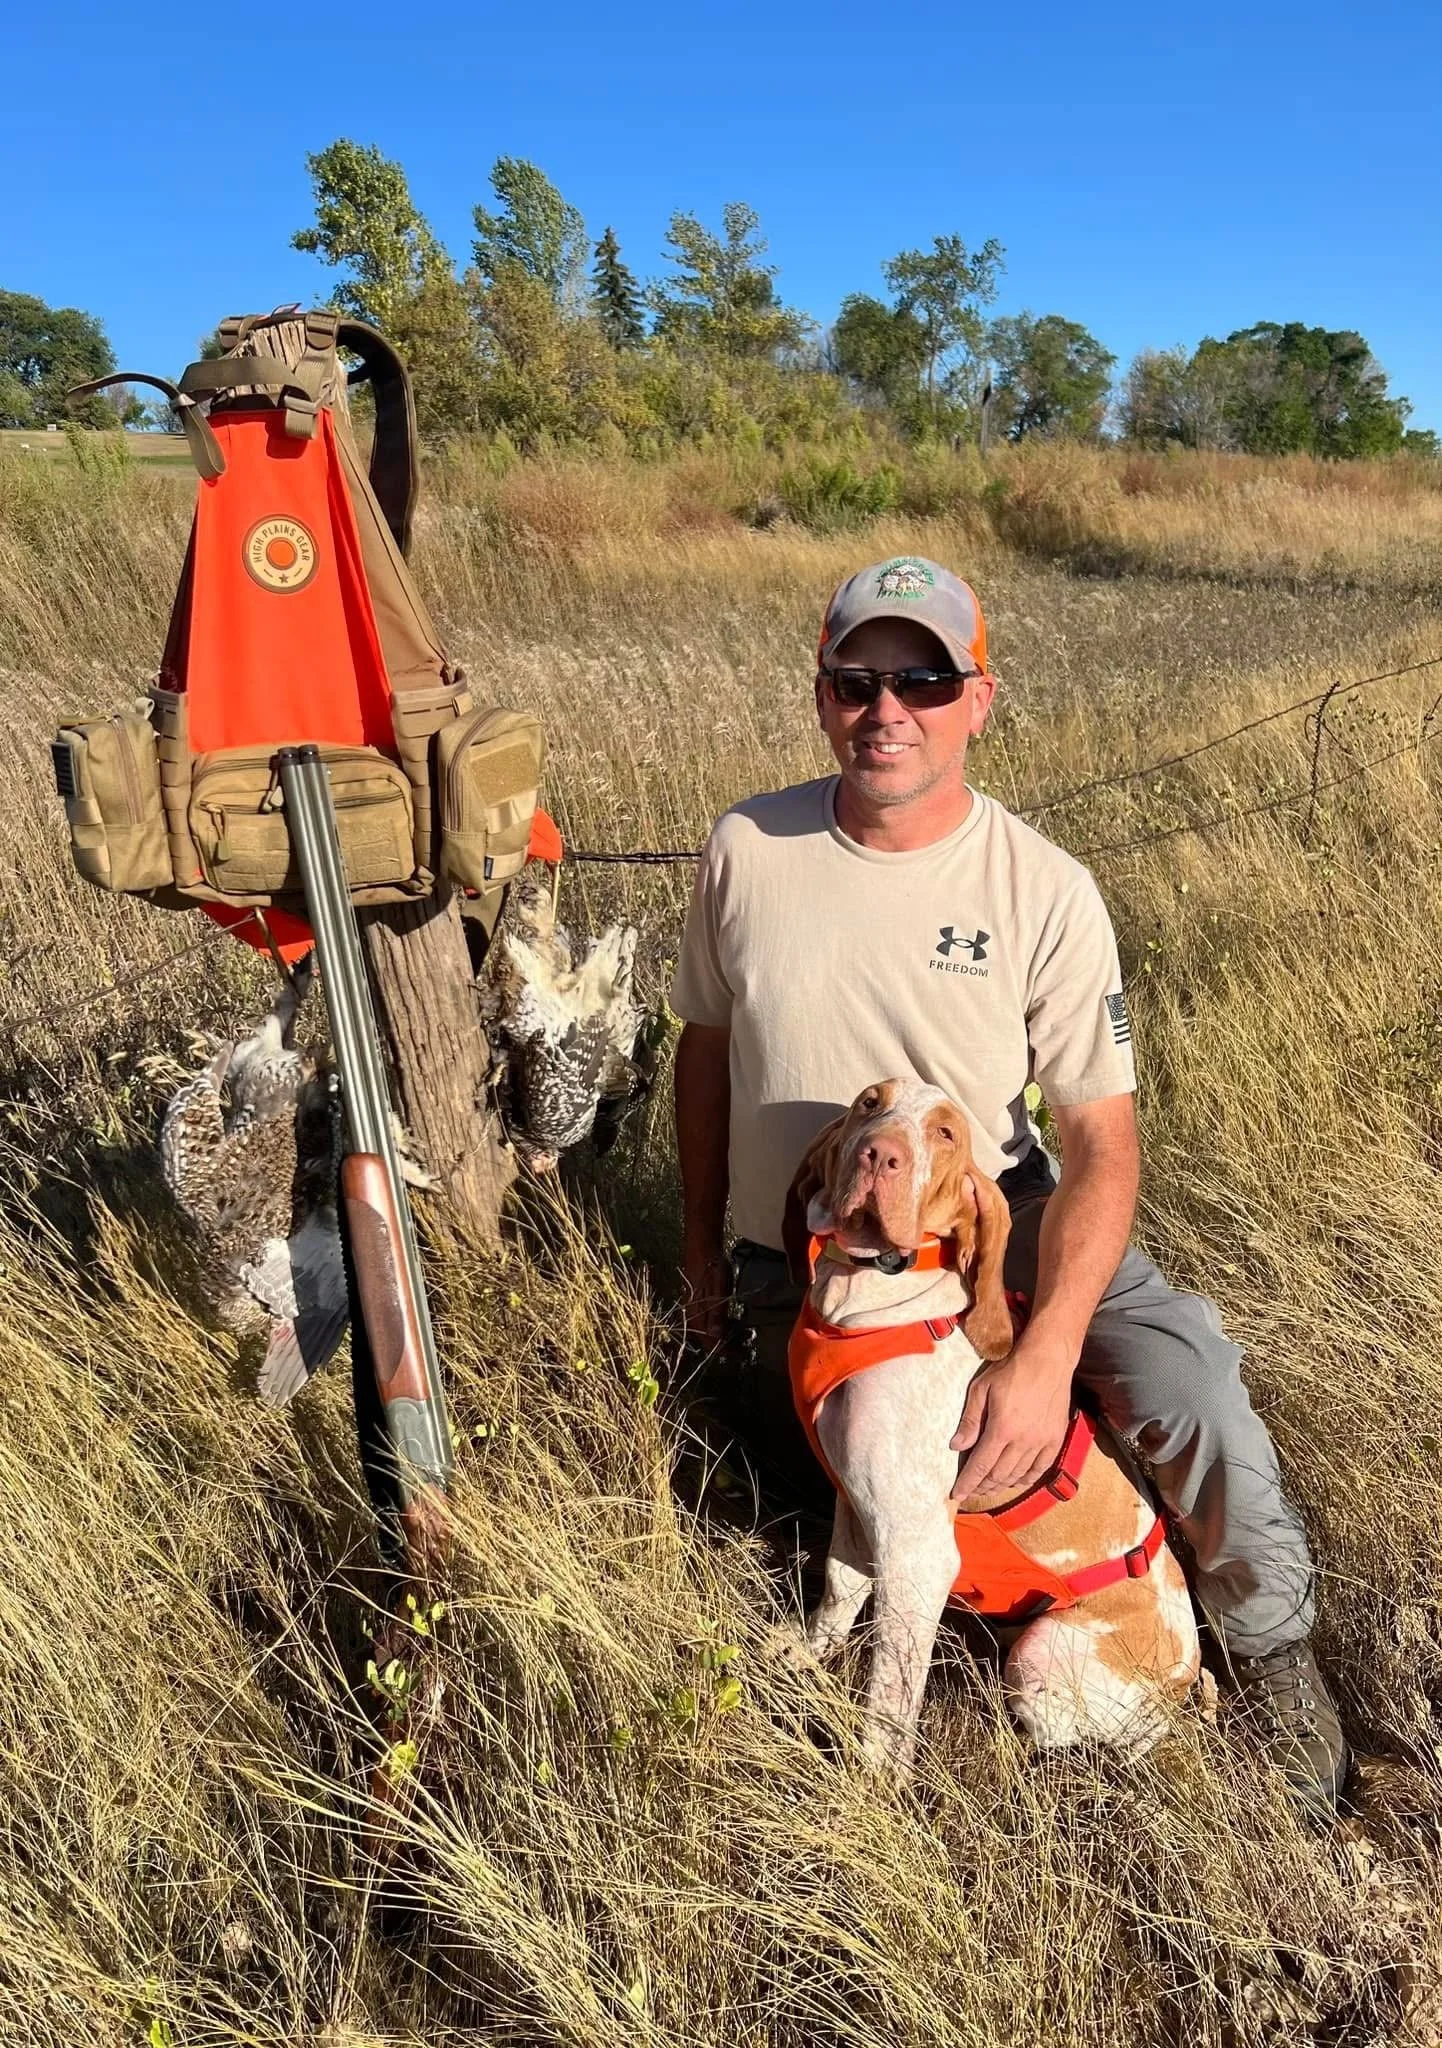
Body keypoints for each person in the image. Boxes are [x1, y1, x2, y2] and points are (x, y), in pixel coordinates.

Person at [669, 554, 1347, 1822]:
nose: (888, 708)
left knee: (1185, 1379)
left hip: (994, 1220)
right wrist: (703, 1252)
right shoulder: (745, 845)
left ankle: (1268, 1651)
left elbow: (1101, 1141)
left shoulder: (1042, 886)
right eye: (856, 679)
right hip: (799, 1252)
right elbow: (700, 1051)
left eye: (923, 677)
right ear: (819, 695)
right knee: (790, 1482)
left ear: (978, 698)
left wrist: (1038, 1357)